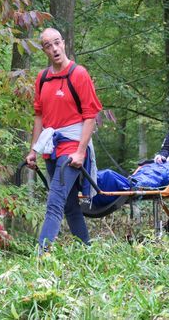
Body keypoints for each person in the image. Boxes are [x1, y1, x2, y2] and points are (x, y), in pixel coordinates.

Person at [25, 28, 102, 252]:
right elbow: (39, 115)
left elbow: (90, 115)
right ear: (44, 50)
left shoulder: (79, 74)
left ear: (64, 43)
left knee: (55, 201)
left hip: (72, 146)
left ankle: (41, 254)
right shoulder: (43, 78)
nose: (54, 48)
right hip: (51, 146)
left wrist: (80, 152)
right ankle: (87, 252)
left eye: (57, 43)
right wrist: (33, 151)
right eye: (48, 45)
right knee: (69, 205)